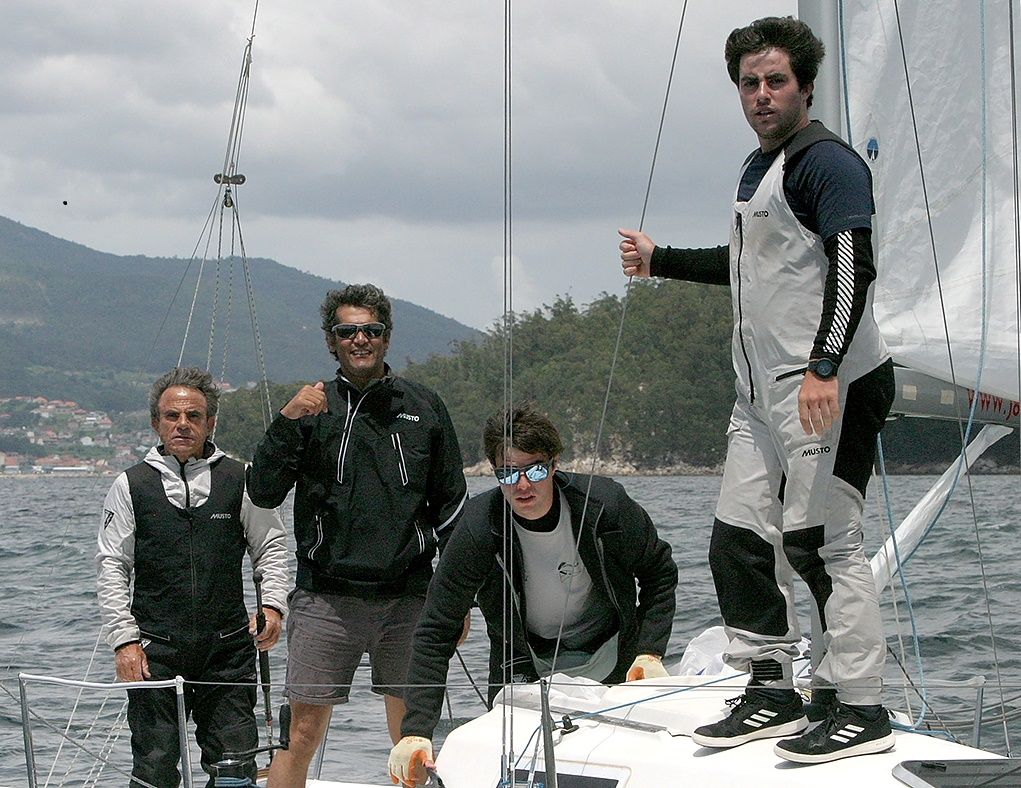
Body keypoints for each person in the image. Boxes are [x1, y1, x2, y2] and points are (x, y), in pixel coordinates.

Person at [617, 16, 896, 765]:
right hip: (759, 393)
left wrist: (823, 367)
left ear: (805, 85)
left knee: (821, 543)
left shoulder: (826, 164)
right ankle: (771, 686)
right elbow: (753, 266)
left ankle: (858, 705)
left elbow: (851, 266)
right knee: (737, 543)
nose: (762, 94)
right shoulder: (758, 166)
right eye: (749, 82)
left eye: (775, 81)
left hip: (826, 385)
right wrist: (661, 261)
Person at [247, 283, 469, 788]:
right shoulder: (309, 410)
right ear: (332, 341)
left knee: (414, 740)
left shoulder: (424, 407)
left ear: (387, 339)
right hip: (326, 599)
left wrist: (455, 604)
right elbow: (262, 492)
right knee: (298, 737)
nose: (361, 339)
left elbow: (453, 507)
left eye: (371, 330)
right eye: (348, 331)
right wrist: (285, 422)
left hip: (409, 598)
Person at [389, 404, 678, 786]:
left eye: (535, 469)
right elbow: (435, 630)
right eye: (508, 473)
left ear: (555, 465)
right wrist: (416, 729)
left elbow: (660, 574)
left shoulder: (605, 505)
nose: (523, 486)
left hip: (615, 657)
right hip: (522, 665)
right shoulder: (478, 528)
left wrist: (650, 651)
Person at [96, 366, 289, 787]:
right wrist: (124, 640)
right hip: (153, 650)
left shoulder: (240, 479)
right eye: (172, 416)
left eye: (193, 416)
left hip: (228, 650)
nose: (182, 424)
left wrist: (273, 606)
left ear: (210, 423)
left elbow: (270, 548)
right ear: (156, 423)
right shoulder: (130, 486)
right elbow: (113, 566)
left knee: (236, 765)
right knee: (154, 765)